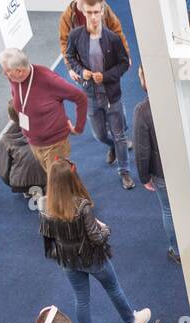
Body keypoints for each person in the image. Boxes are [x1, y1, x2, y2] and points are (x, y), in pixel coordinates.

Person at [40, 159, 151, 323]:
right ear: (71, 179)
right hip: (93, 259)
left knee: (81, 300)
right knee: (113, 288)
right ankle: (131, 322)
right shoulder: (81, 205)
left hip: (68, 262)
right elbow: (97, 238)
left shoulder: (46, 207)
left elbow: (48, 242)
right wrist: (105, 227)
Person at [64, 0, 135, 189]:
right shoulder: (75, 35)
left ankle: (124, 171)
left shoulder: (113, 38)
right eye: (89, 12)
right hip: (91, 95)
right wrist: (81, 71)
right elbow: (70, 57)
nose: (93, 17)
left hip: (112, 96)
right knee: (100, 135)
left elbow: (123, 64)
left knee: (119, 136)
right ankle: (113, 146)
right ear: (83, 12)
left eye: (96, 12)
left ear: (102, 11)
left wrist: (104, 76)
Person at [2, 47, 87, 172]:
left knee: (58, 183)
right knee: (59, 180)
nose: (4, 74)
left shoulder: (47, 79)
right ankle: (73, 189)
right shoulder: (14, 79)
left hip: (55, 144)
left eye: (7, 71)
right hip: (34, 143)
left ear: (20, 71)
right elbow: (17, 95)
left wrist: (78, 128)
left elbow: (81, 98)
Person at [132, 66, 178, 263]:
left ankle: (176, 251)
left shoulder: (143, 110)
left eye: (141, 75)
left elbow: (142, 149)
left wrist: (143, 177)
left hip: (162, 172)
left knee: (168, 210)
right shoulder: (178, 99)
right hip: (185, 168)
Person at [57, 0, 129, 83]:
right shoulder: (67, 17)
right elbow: (64, 42)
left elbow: (116, 30)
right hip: (84, 63)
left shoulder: (103, 8)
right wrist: (70, 68)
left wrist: (125, 54)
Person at [0, 102, 48, 201]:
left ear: (10, 117)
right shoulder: (45, 128)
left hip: (20, 183)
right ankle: (44, 188)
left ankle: (29, 189)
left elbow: (4, 170)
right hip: (49, 177)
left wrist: (12, 181)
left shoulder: (5, 140)